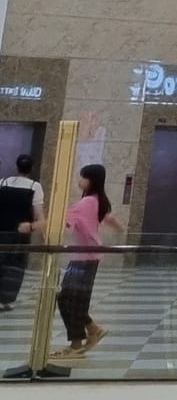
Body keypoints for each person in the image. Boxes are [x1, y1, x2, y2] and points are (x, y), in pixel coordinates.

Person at [54, 163, 118, 357]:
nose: (80, 180)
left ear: (92, 180)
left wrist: (35, 226)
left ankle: (78, 343)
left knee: (69, 299)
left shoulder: (87, 202)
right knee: (72, 299)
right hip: (85, 256)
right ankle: (90, 331)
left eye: (83, 177)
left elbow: (64, 220)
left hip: (84, 258)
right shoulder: (96, 200)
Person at [0, 152, 44, 309]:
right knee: (15, 266)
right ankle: (5, 300)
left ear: (17, 166)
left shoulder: (3, 182)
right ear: (31, 168)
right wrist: (38, 230)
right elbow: (39, 216)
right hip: (20, 235)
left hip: (1, 231)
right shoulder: (35, 187)